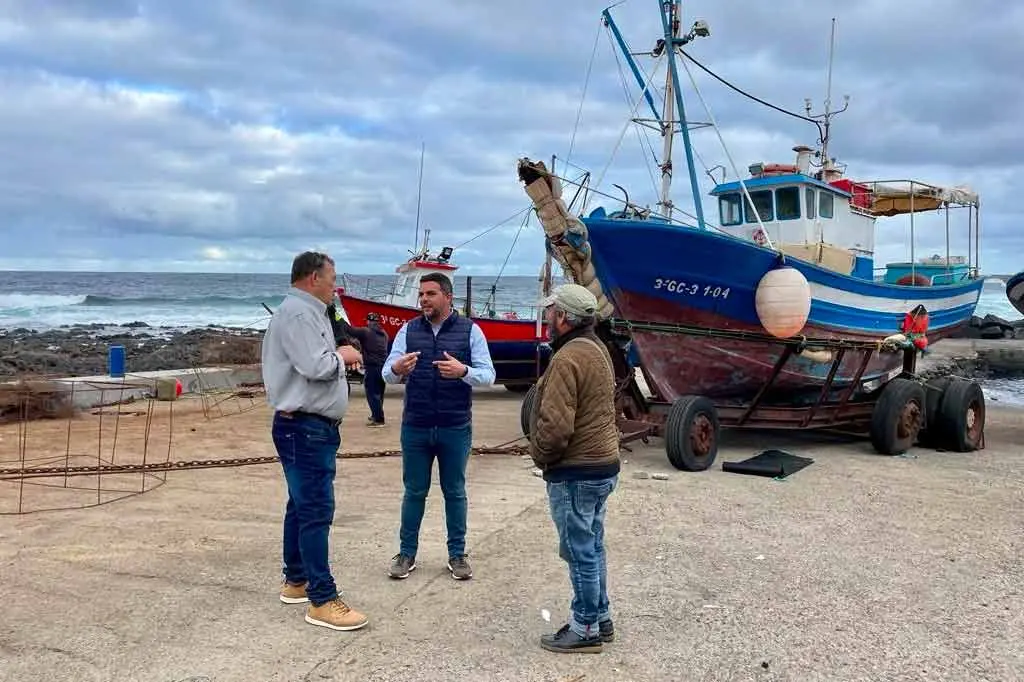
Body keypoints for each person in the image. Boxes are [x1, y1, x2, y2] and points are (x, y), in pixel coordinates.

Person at [261, 250, 369, 632]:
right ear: (312, 278)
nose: (335, 285)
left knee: (300, 505)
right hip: (304, 427)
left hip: (308, 426)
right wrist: (344, 354)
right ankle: (322, 599)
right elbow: (316, 366)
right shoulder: (299, 313)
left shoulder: (309, 312)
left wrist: (338, 355)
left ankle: (296, 581)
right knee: (316, 510)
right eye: (331, 277)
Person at [382, 272, 496, 581]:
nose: (423, 300)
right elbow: (386, 374)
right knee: (414, 491)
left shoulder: (470, 331)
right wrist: (396, 368)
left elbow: (489, 376)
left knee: (455, 492)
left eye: (430, 294)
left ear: (447, 296)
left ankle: (457, 555)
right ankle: (406, 554)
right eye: (421, 294)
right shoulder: (408, 330)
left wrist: (463, 371)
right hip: (416, 425)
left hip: (454, 426)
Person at [528, 283, 621, 654]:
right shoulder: (597, 350)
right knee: (593, 545)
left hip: (576, 471)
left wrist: (541, 455)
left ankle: (585, 628)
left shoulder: (567, 358)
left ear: (563, 317)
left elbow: (556, 427)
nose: (548, 318)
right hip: (602, 466)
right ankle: (600, 616)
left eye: (551, 312)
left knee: (579, 550)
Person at [328, 310, 390, 427]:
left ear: (368, 321)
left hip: (372, 367)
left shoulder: (366, 332)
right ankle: (376, 415)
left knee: (372, 393)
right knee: (379, 393)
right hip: (383, 367)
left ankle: (379, 420)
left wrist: (335, 314)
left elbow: (348, 329)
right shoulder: (384, 334)